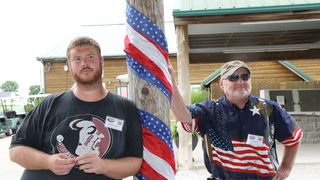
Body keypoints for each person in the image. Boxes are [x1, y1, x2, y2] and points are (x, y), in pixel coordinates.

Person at [9, 36, 143, 180]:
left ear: (101, 61)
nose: (84, 63)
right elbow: (16, 151)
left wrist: (103, 166)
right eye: (77, 59)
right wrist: (48, 162)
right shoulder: (50, 104)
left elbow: (134, 162)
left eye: (90, 57)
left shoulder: (125, 108)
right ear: (69, 64)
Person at [170, 60, 303, 180]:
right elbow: (183, 115)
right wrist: (171, 82)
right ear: (222, 84)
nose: (240, 81)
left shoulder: (269, 109)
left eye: (245, 77)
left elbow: (293, 139)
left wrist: (285, 168)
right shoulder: (210, 110)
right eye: (233, 77)